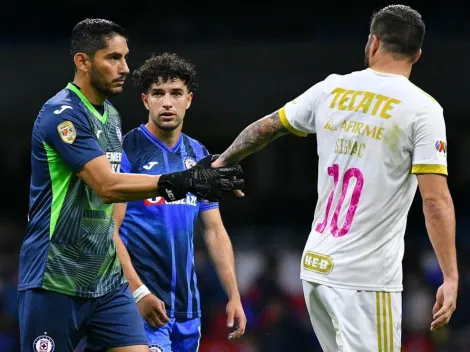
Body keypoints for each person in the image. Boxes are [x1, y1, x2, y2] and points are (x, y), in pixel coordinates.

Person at [211, 5, 458, 351]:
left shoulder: (331, 89)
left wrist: (222, 162)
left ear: (373, 43)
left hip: (315, 269)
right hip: (366, 279)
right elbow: (434, 200)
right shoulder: (422, 109)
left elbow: (266, 128)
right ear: (417, 54)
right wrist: (450, 276)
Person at [18, 19, 243, 352]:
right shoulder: (61, 114)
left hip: (107, 284)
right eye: (113, 58)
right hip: (56, 276)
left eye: (125, 57)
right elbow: (107, 187)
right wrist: (183, 181)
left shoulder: (110, 116)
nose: (124, 67)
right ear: (82, 62)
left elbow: (213, 228)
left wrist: (233, 294)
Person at [108, 52, 246, 352]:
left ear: (189, 99)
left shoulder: (198, 153)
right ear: (146, 101)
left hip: (187, 310)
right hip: (142, 307)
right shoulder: (127, 150)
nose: (167, 102)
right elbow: (109, 231)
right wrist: (138, 292)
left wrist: (234, 294)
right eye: (158, 94)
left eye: (175, 93)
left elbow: (214, 230)